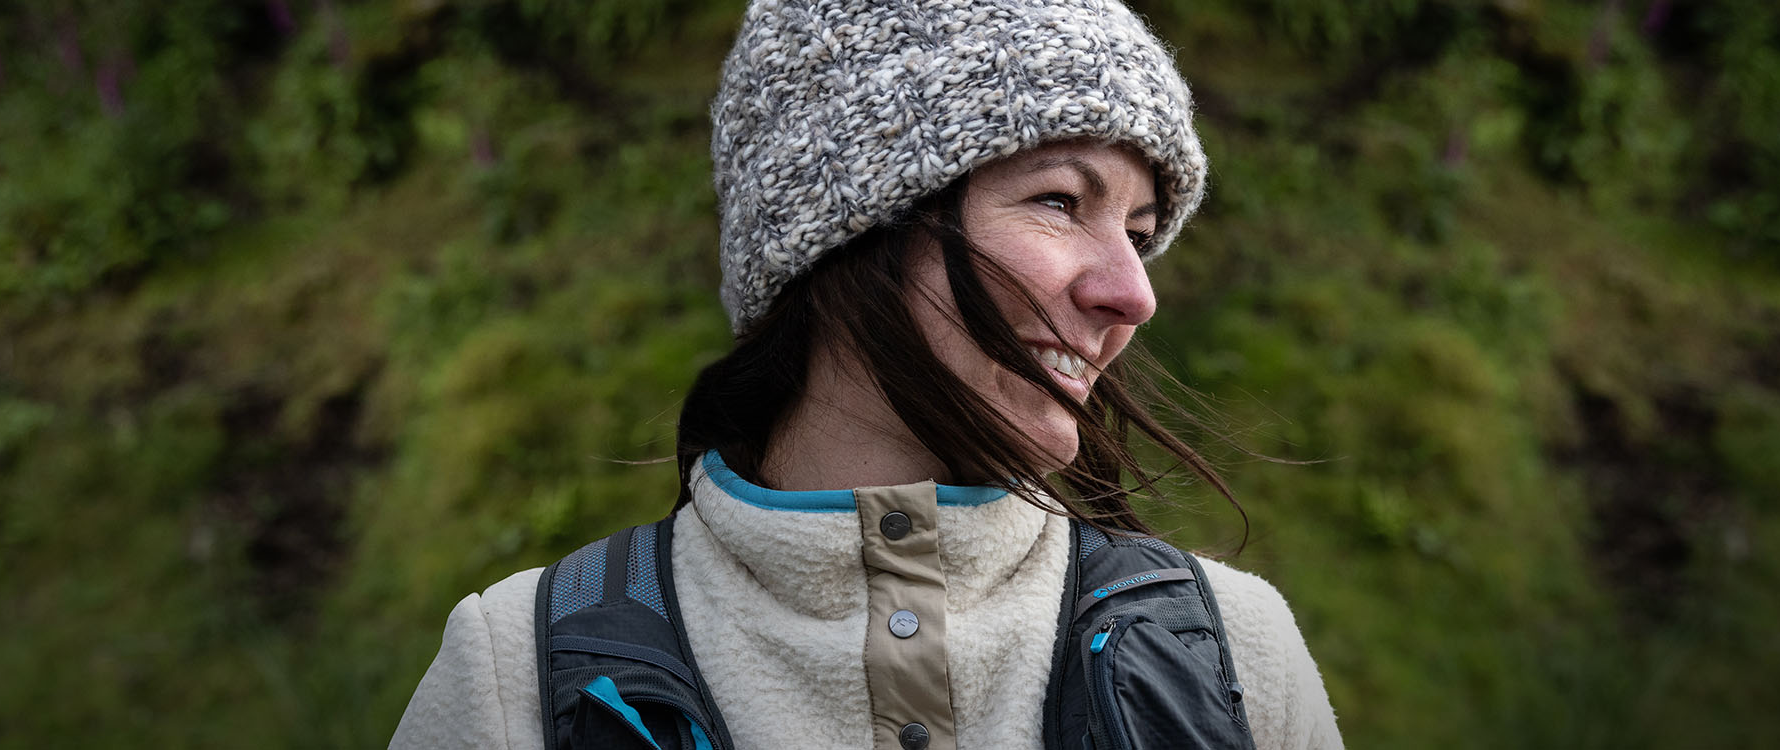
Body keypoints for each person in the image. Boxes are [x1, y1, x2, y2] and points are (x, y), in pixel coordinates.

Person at [386, 0, 1338, 748]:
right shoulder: (521, 668)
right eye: (1058, 200)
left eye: (1139, 235)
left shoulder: (1234, 651)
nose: (1134, 295)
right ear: (843, 232)